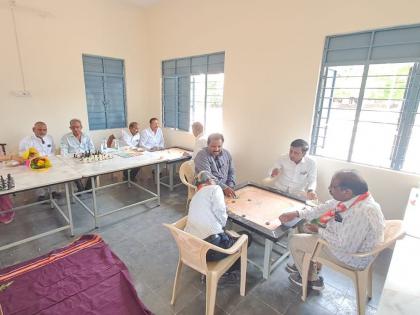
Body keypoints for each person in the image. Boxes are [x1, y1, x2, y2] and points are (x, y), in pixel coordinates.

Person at [279, 170, 385, 291]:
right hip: (345, 240)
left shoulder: (362, 212)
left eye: (333, 187)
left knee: (294, 241)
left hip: (352, 257)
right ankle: (307, 265)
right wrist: (297, 213)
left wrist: (319, 230)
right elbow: (321, 209)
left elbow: (345, 246)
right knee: (305, 227)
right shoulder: (354, 198)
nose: (329, 189)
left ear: (347, 192)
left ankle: (311, 280)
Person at [184, 171, 250, 282]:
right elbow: (220, 213)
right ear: (210, 181)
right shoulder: (215, 189)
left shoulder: (194, 198)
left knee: (226, 235)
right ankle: (225, 274)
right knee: (246, 236)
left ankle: (225, 265)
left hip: (192, 250)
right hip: (209, 251)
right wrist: (223, 221)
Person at [19, 121, 58, 200]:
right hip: (33, 162)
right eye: (40, 130)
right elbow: (22, 154)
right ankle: (41, 195)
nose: (42, 132)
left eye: (44, 130)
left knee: (53, 173)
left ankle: (53, 192)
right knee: (37, 176)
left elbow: (53, 151)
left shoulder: (49, 137)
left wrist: (48, 157)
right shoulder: (27, 140)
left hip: (48, 160)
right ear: (34, 129)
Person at [194, 133, 236, 197]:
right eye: (213, 146)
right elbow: (207, 176)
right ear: (208, 145)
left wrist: (230, 185)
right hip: (207, 189)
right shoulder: (202, 155)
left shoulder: (226, 153)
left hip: (225, 187)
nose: (216, 149)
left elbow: (231, 171)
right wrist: (224, 188)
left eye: (219, 146)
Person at [60, 119, 95, 192]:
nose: (75, 129)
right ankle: (80, 187)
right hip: (73, 160)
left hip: (87, 159)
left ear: (81, 127)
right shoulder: (65, 138)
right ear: (70, 128)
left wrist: (88, 155)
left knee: (97, 168)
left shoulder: (87, 136)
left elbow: (92, 148)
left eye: (77, 127)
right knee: (72, 171)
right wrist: (75, 156)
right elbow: (63, 152)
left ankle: (89, 187)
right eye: (73, 127)